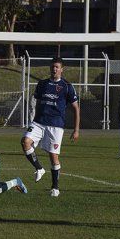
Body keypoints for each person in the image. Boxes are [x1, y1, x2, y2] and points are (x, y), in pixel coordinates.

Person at [21, 57, 80, 197]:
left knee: (53, 157)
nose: (54, 69)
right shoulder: (42, 84)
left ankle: (55, 187)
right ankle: (39, 168)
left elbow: (76, 108)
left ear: (61, 69)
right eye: (52, 66)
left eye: (57, 67)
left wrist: (76, 129)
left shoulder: (67, 86)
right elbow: (37, 102)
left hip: (56, 125)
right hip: (39, 122)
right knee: (25, 141)